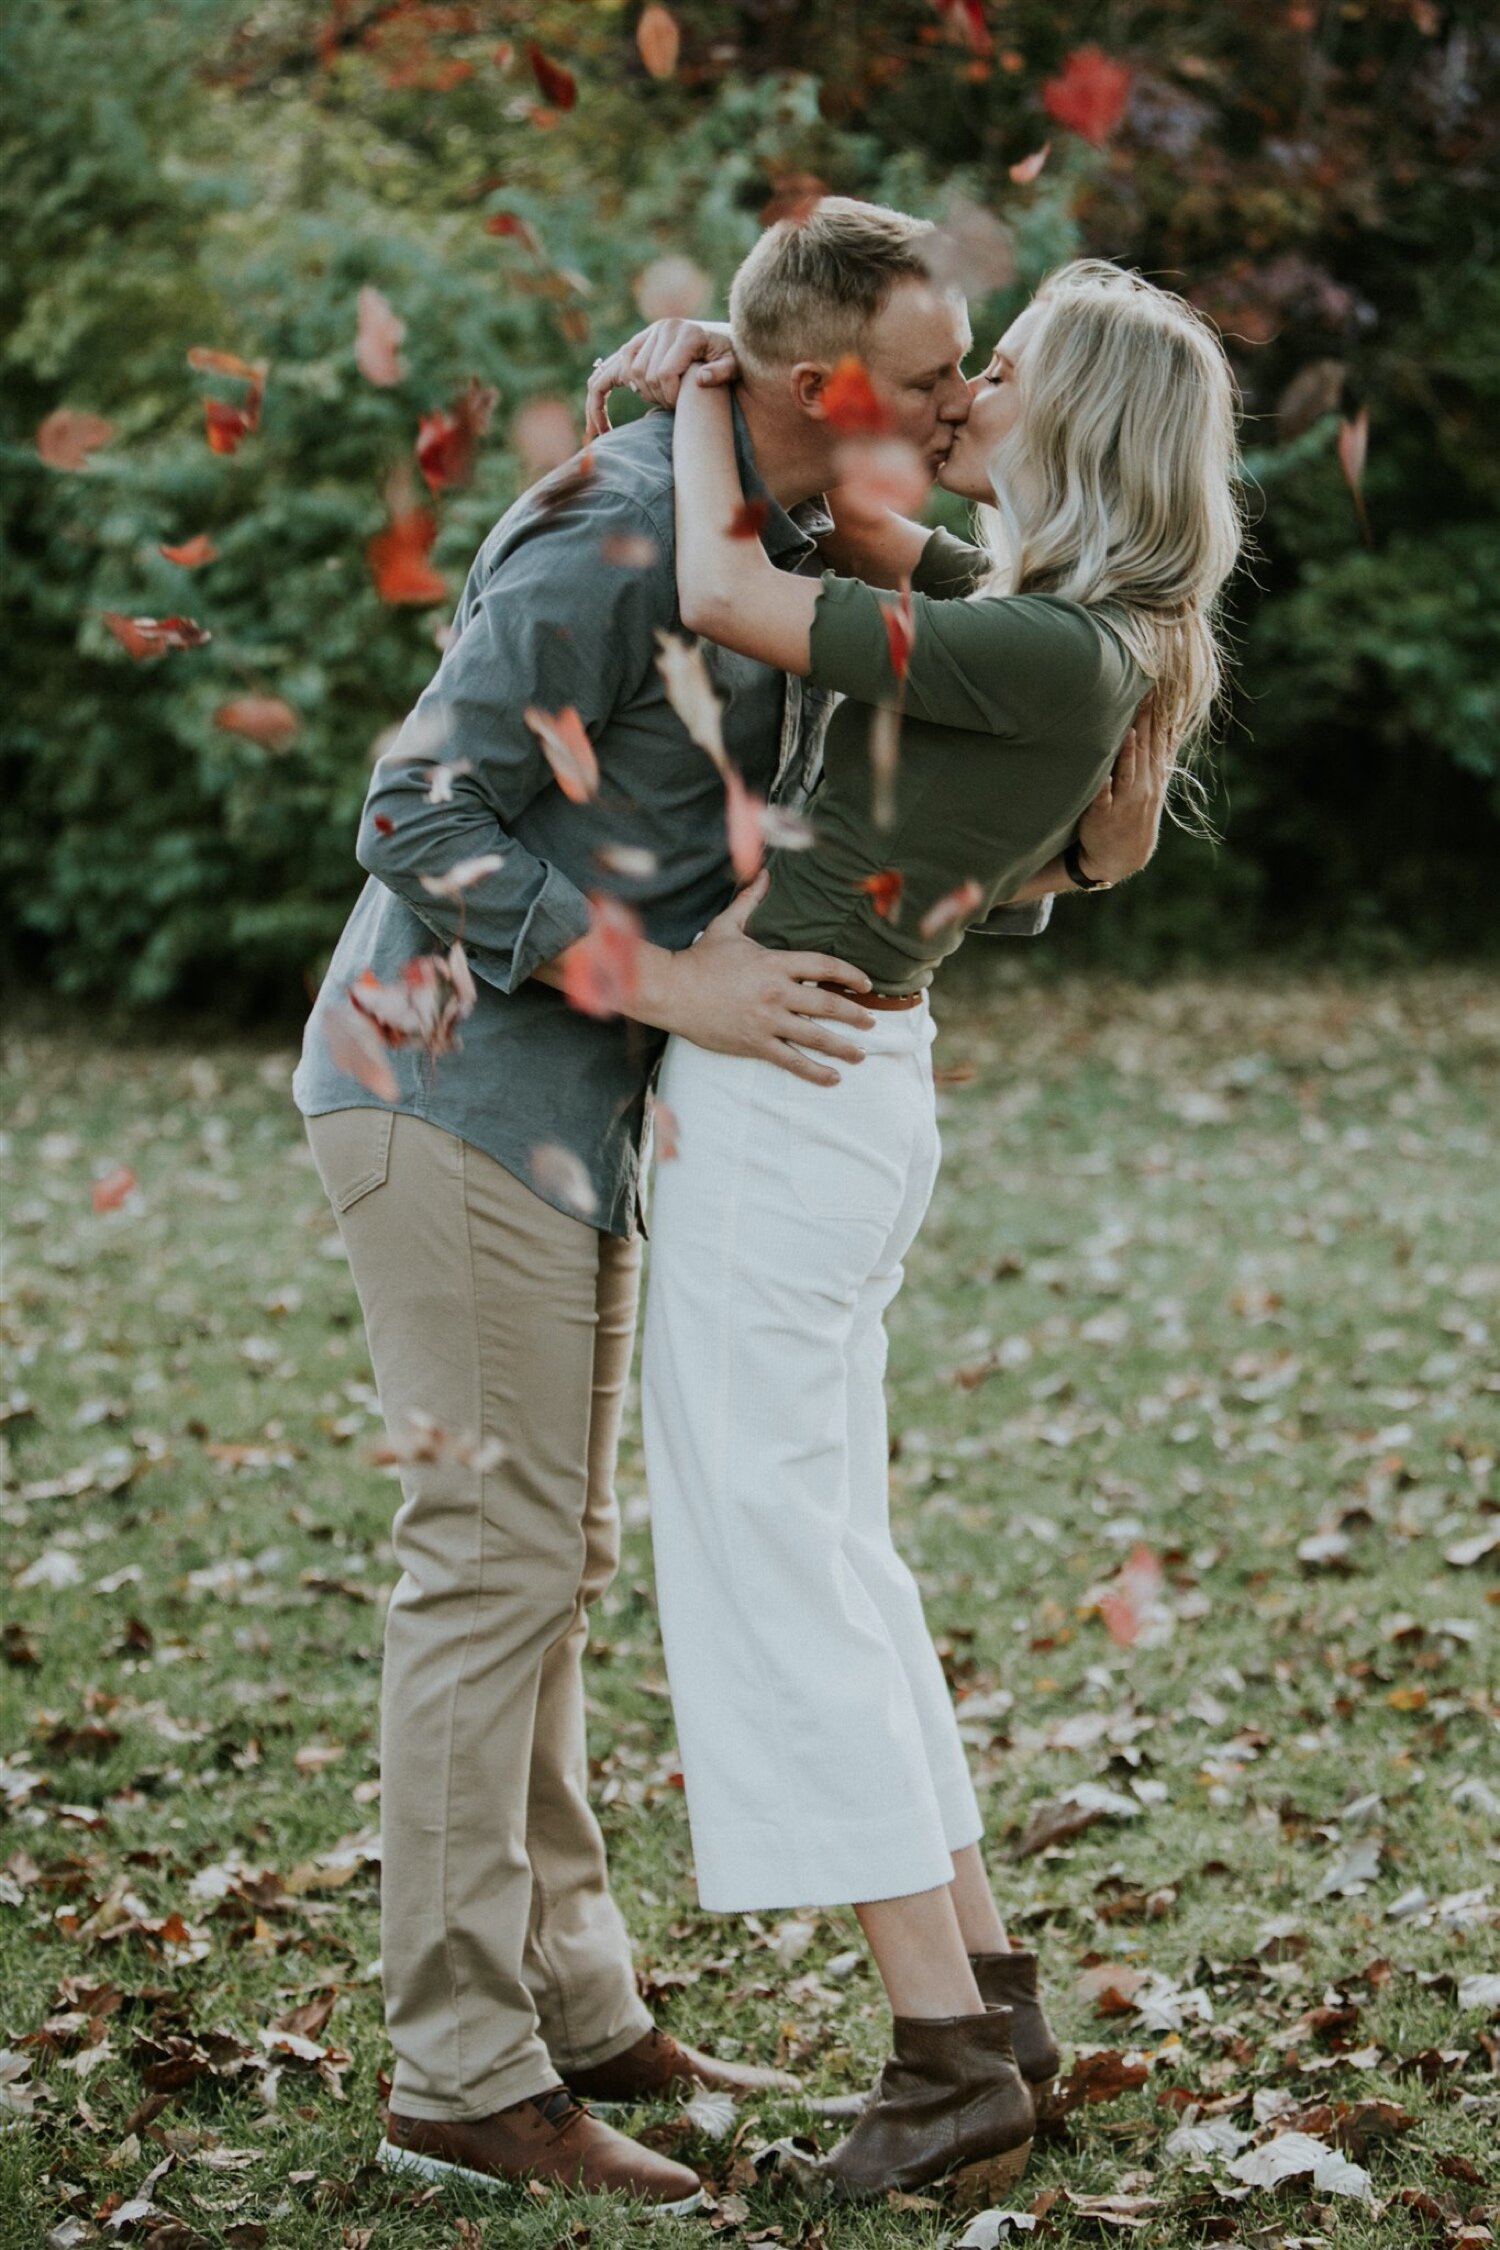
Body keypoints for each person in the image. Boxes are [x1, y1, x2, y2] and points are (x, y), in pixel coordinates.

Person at [292, 199, 1166, 2211]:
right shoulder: (613, 531)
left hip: (594, 1107)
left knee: (549, 1555)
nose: (962, 399)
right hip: (451, 1082)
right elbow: (414, 811)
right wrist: (670, 981)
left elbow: (892, 803)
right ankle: (459, 2067)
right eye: (932, 369)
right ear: (810, 381)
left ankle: (583, 2009)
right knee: (489, 1560)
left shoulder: (785, 539)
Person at [604, 257, 1244, 2202]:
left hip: (788, 1103)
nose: (961, 399)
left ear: (1088, 429)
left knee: (780, 1577)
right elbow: (840, 517)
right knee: (844, 1567)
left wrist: (706, 410)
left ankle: (944, 2054)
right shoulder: (1044, 627)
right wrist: (722, 381)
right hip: (837, 1096)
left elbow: (727, 593)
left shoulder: (1050, 653)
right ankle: (990, 2003)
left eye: (1002, 376)